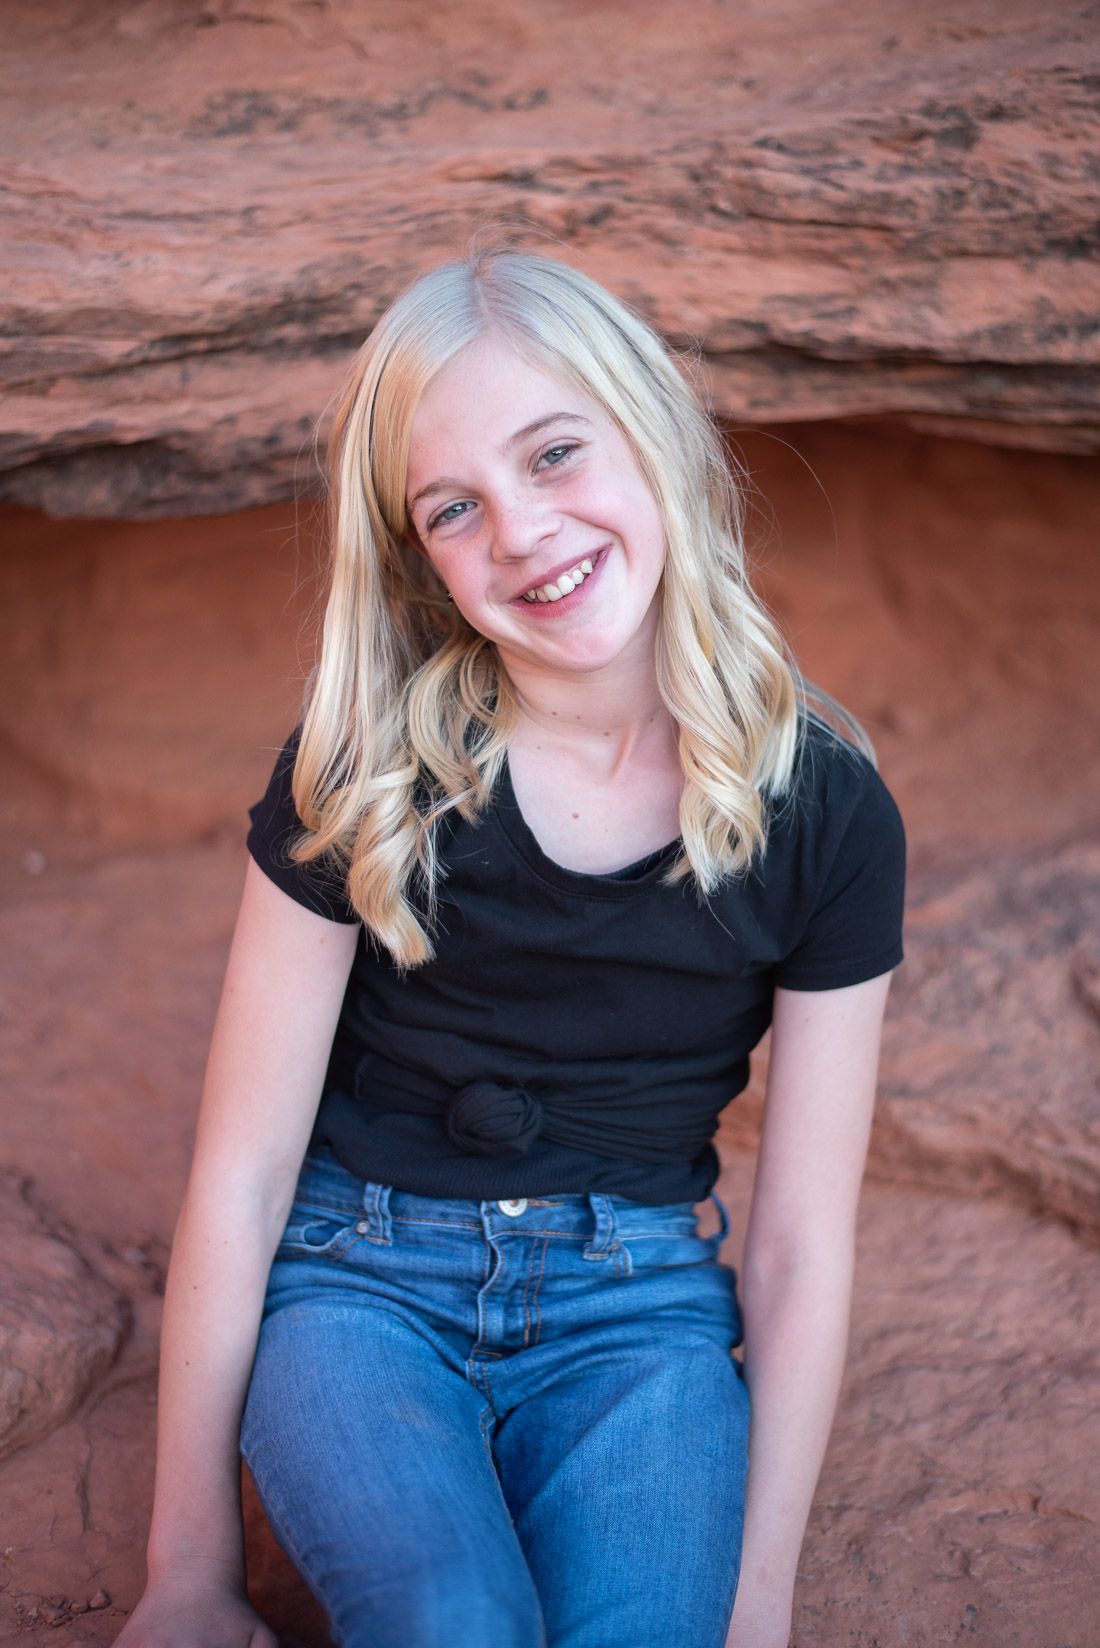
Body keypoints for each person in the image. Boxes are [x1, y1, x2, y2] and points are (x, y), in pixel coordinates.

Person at [115, 247, 905, 1648]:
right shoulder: (362, 773)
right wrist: (191, 1577)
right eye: (456, 510)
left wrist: (759, 1607)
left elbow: (794, 1250)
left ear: (653, 430)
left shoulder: (827, 810)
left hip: (639, 1313)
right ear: (417, 560)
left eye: (555, 454)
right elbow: (239, 1177)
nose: (525, 532)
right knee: (452, 1620)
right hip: (357, 1288)